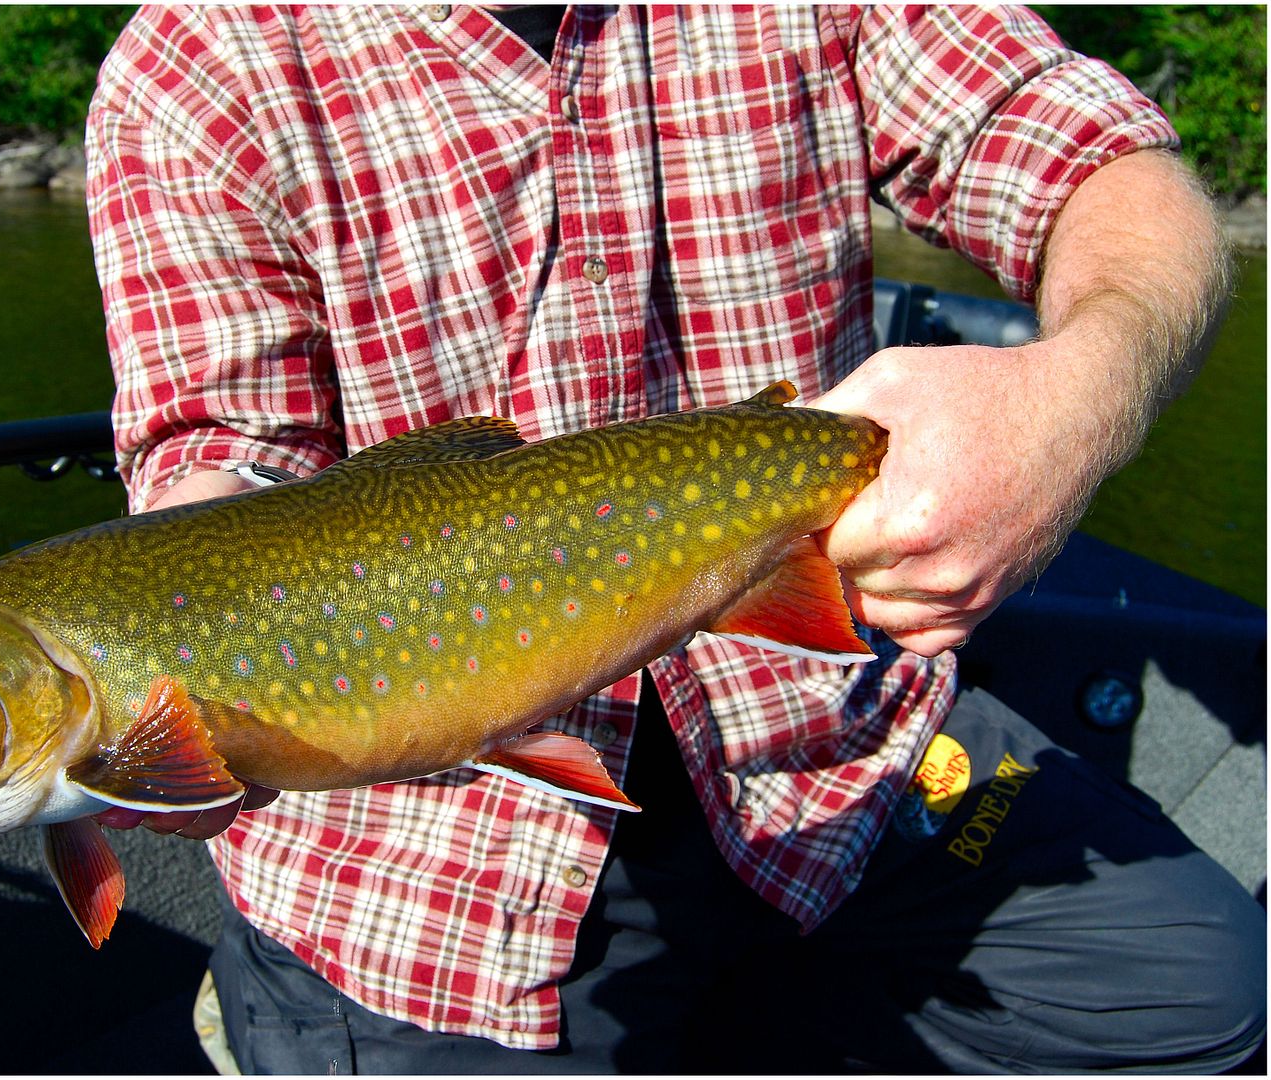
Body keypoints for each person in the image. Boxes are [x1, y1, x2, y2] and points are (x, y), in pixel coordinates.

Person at [85, 6, 1264, 1072]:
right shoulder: (202, 59)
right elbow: (220, 455)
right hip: (428, 845)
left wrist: (1071, 402)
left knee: (1215, 1000)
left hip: (827, 723)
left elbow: (1098, 159)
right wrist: (181, 657)